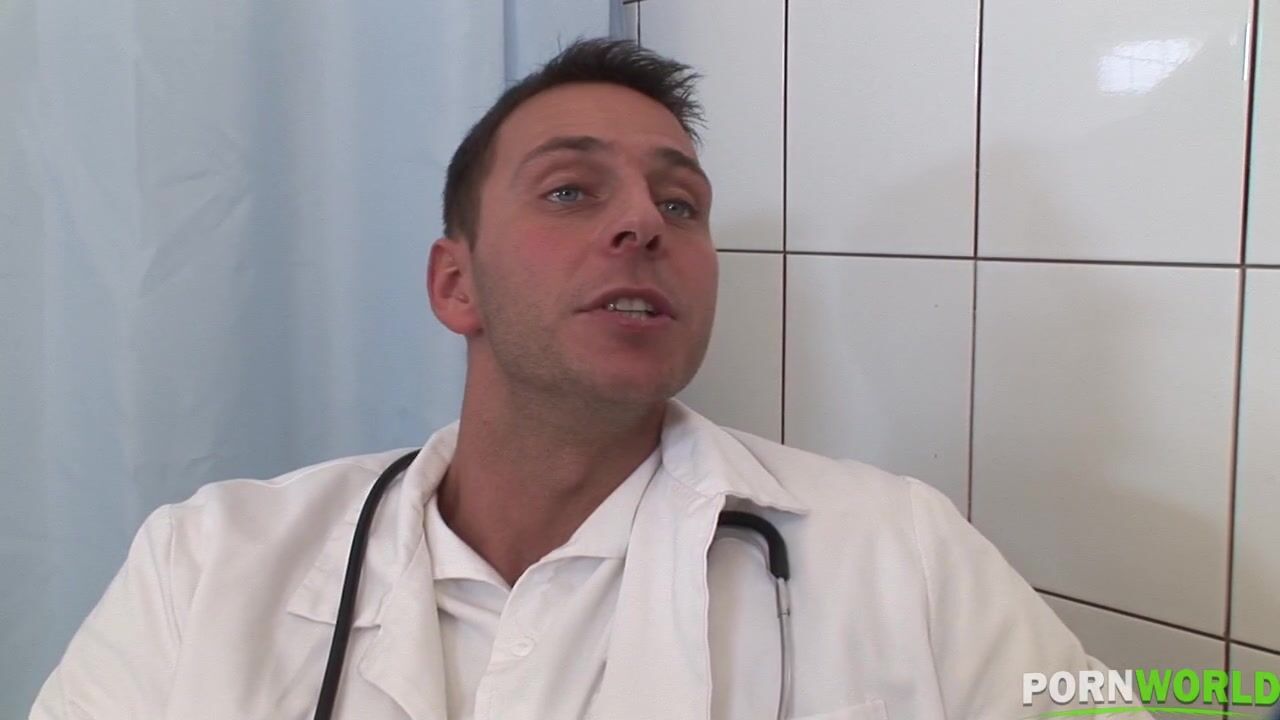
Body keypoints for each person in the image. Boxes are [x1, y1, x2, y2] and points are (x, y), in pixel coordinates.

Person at [30, 38, 1143, 720]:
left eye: (680, 204)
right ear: (455, 283)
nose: (642, 225)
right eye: (571, 191)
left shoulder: (904, 556)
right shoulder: (206, 568)